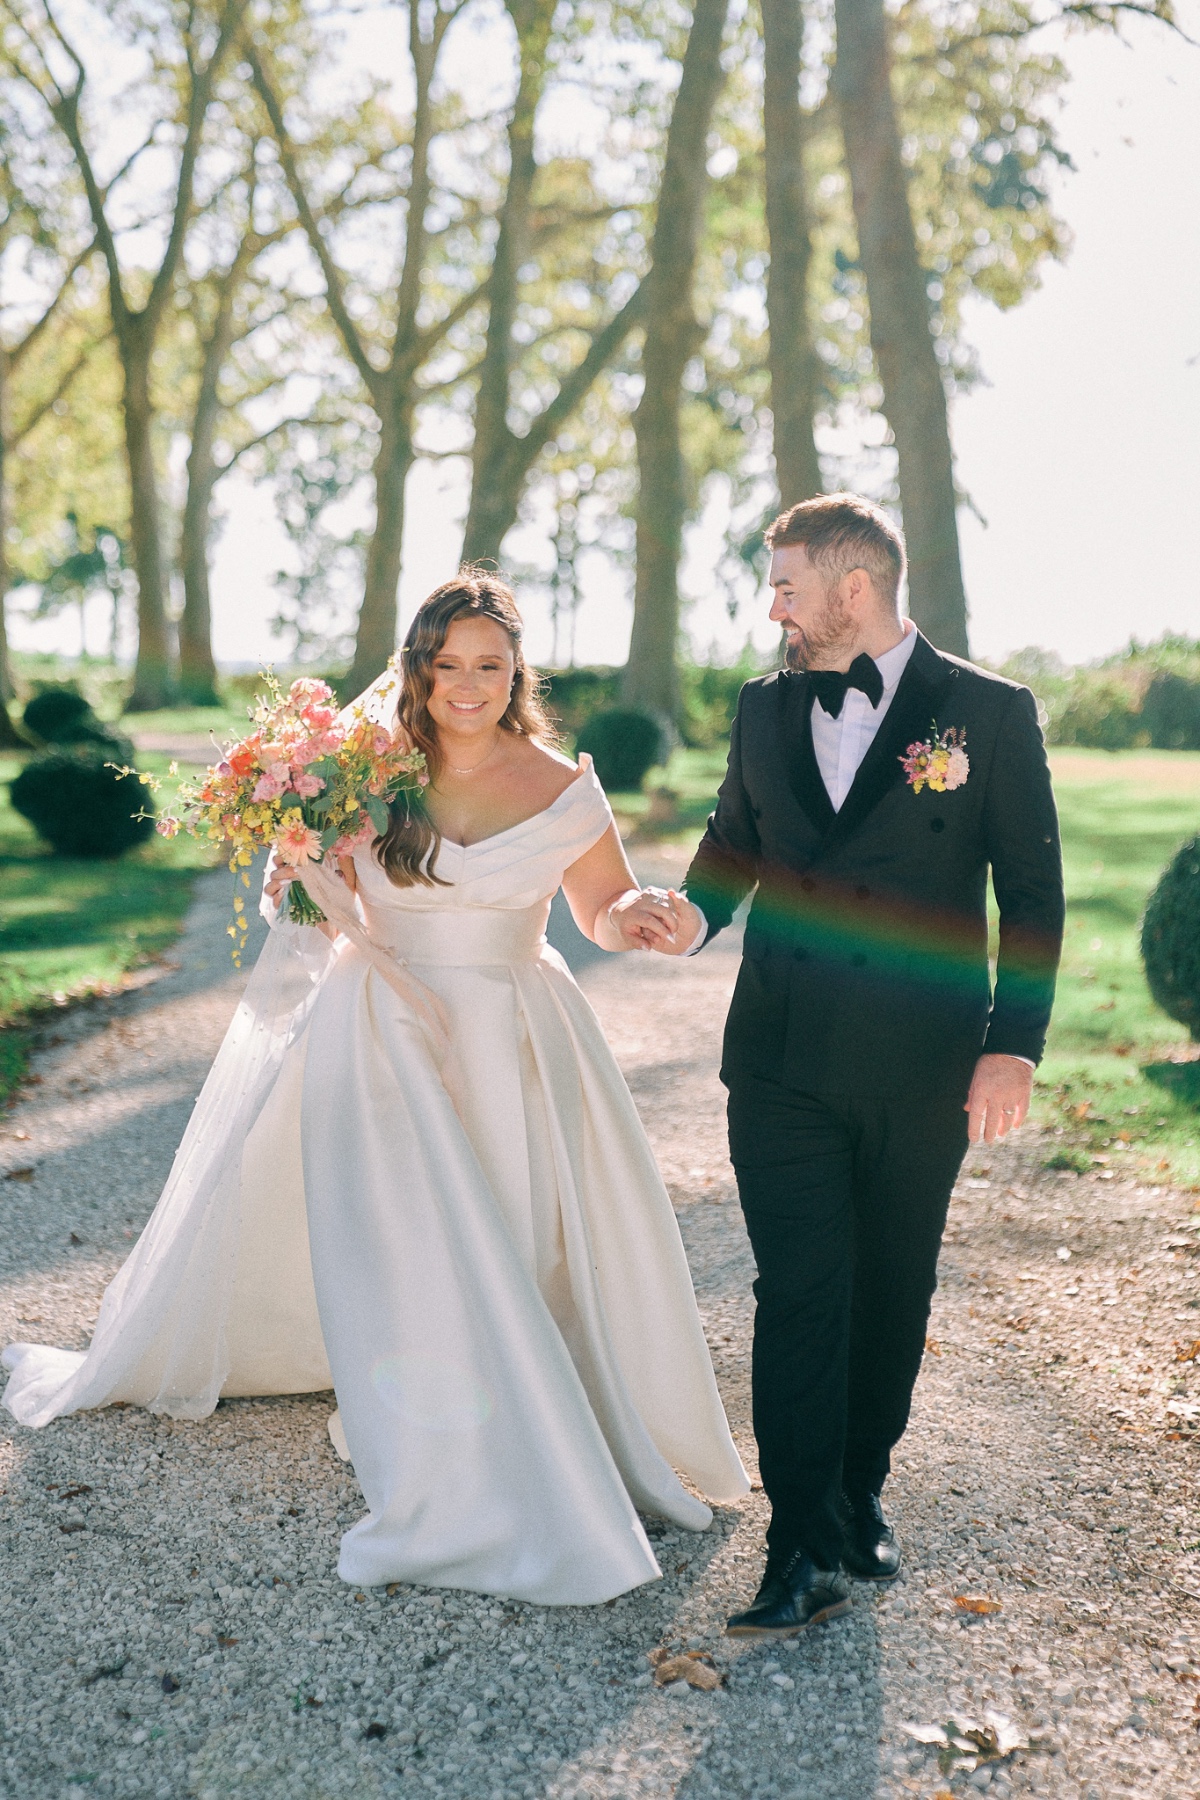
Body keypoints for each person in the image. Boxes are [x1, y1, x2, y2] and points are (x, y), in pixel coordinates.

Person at [2, 571, 747, 1606]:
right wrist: (293, 872)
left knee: (514, 1226)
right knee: (400, 1228)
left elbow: (601, 906)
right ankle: (425, 1418)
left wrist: (641, 917)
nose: (468, 685)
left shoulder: (562, 786)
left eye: (489, 665)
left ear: (517, 670)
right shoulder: (364, 770)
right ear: (419, 667)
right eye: (448, 665)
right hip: (381, 1026)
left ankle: (523, 1400)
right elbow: (314, 898)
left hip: (512, 1029)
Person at [643, 494, 1064, 1638]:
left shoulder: (988, 711)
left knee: (891, 1289)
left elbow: (1029, 897)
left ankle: (857, 1495)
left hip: (923, 1064)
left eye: (786, 584)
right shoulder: (761, 707)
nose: (770, 605)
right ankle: (797, 1545)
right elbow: (734, 845)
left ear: (853, 589)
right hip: (779, 1056)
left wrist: (1011, 1046)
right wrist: (685, 919)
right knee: (800, 1291)